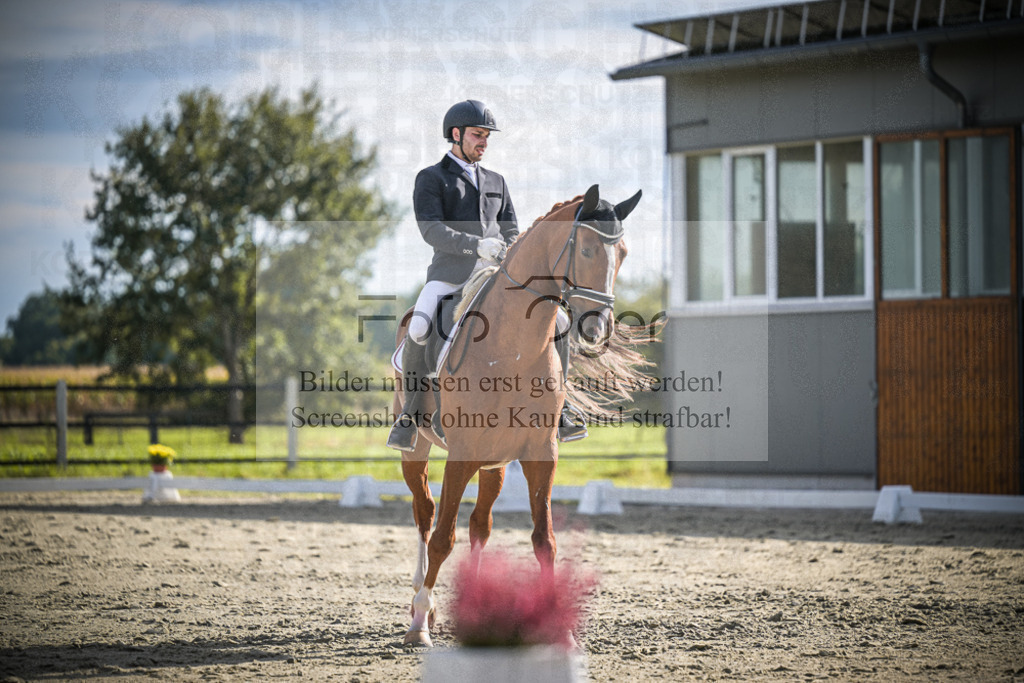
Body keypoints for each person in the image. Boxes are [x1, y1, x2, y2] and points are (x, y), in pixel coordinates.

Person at [387, 99, 586, 451]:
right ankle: (410, 415)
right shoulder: (432, 178)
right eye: (478, 135)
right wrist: (475, 246)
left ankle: (563, 408)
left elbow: (512, 228)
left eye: (486, 136)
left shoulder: (497, 180)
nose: (484, 142)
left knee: (559, 322)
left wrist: (508, 250)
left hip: (499, 274)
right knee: (419, 326)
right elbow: (431, 230)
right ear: (456, 134)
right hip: (451, 274)